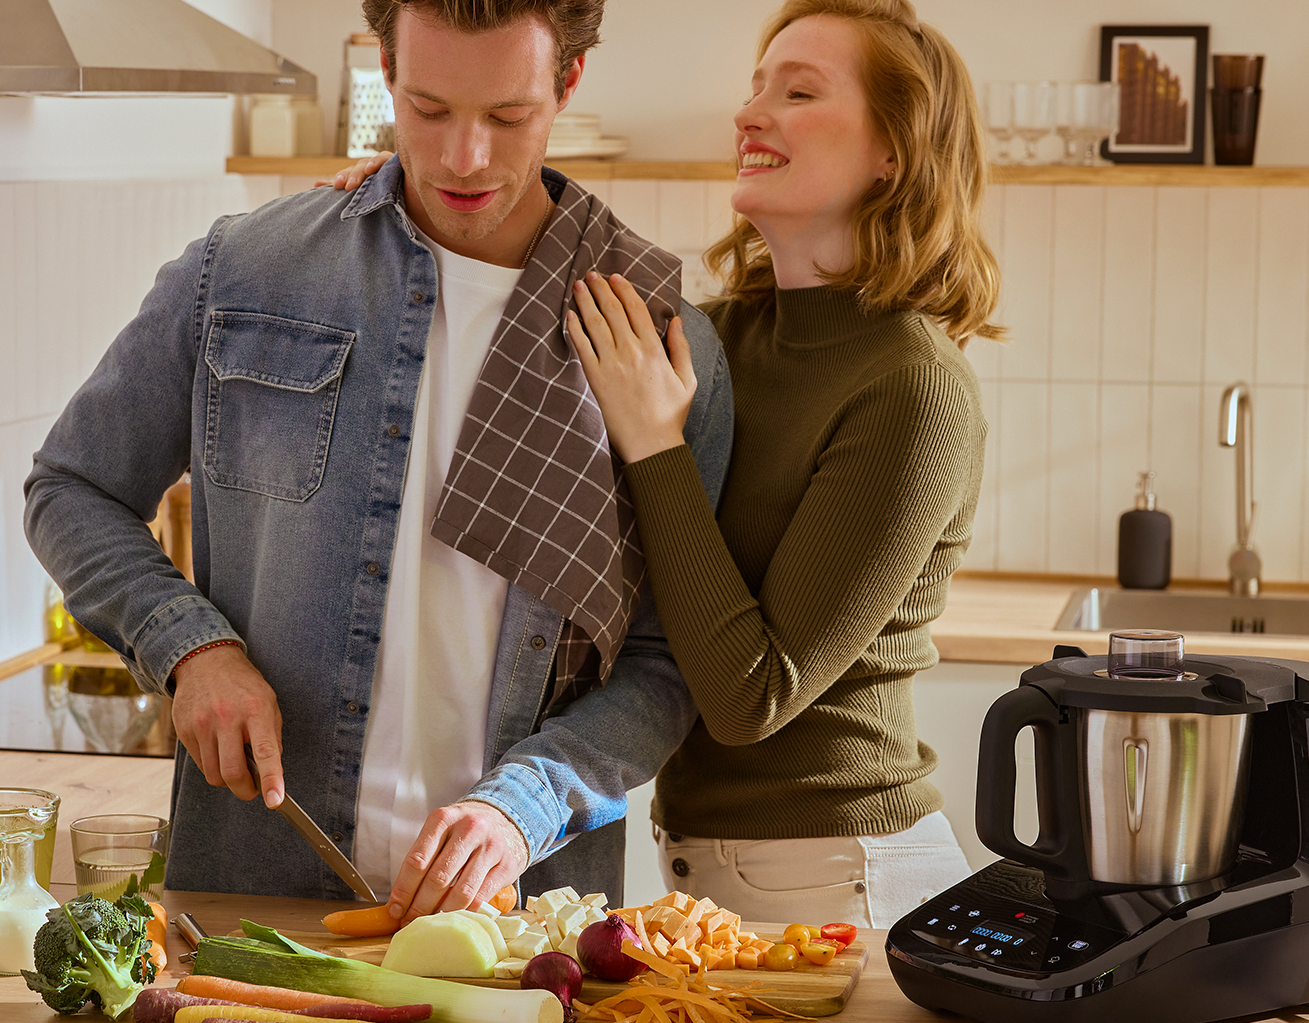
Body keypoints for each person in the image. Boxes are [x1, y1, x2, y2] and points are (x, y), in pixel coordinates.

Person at [24, 0, 734, 920]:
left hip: (521, 927)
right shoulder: (246, 272)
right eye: (429, 109)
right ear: (387, 72)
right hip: (255, 897)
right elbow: (72, 487)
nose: (464, 158)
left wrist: (526, 805)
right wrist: (191, 646)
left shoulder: (663, 342)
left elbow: (667, 661)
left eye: (507, 115)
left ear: (568, 83)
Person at [336, 0, 998, 927]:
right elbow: (542, 253)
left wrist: (656, 444)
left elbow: (751, 697)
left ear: (895, 149)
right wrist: (394, 202)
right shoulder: (719, 337)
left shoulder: (914, 386)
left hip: (851, 878)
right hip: (716, 874)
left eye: (799, 92)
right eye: (757, 88)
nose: (751, 114)